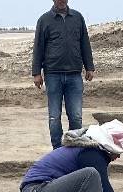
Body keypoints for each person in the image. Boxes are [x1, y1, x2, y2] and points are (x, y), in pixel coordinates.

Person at [32, 1, 94, 150]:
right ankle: (58, 150)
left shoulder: (78, 18)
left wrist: (89, 67)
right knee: (54, 117)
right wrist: (36, 73)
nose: (61, 0)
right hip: (53, 75)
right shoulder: (44, 20)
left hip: (74, 75)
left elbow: (84, 43)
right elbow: (38, 47)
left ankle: (74, 149)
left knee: (76, 116)